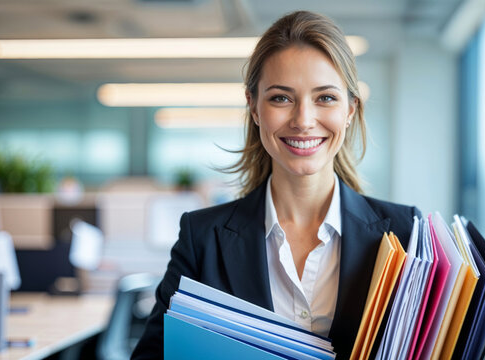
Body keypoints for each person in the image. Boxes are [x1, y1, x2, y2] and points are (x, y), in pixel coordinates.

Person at [131, 10, 419, 359]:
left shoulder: (405, 235)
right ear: (254, 107)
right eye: (281, 98)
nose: (303, 120)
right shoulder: (202, 238)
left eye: (325, 97)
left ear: (350, 110)